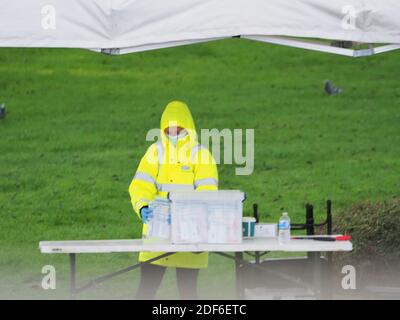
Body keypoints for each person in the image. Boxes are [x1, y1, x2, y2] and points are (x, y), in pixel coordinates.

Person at [129, 100, 218, 300]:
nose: (174, 134)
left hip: (190, 236)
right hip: (157, 235)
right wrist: (142, 207)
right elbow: (140, 186)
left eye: (179, 129)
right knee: (145, 292)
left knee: (188, 294)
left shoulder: (201, 154)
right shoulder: (155, 152)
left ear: (188, 127)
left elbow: (208, 192)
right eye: (169, 130)